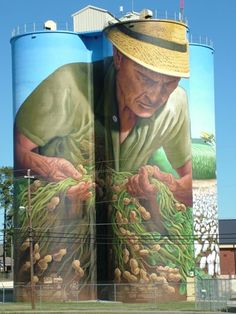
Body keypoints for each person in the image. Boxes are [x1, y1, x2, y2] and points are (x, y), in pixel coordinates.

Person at [15, 19, 192, 219]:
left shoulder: (177, 104)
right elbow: (17, 152)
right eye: (146, 79)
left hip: (123, 225)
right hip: (57, 223)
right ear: (118, 57)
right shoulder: (67, 85)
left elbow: (191, 182)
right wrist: (48, 170)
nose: (154, 96)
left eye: (168, 84)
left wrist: (168, 187)